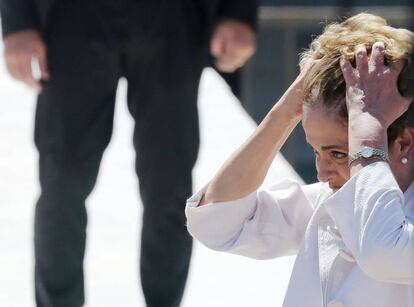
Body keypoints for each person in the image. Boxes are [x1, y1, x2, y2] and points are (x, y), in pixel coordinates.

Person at [0, 1, 258, 307]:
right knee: (61, 183)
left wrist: (237, 13)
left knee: (170, 185)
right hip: (72, 18)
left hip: (172, 19)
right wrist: (17, 21)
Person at [186, 13, 414, 307]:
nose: (321, 173)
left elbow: (383, 251)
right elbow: (217, 222)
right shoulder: (326, 201)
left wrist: (368, 134)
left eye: (339, 153)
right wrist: (285, 112)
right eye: (315, 151)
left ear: (404, 143)